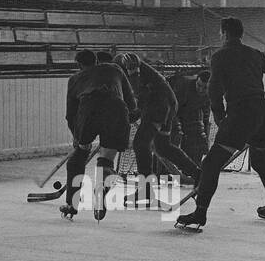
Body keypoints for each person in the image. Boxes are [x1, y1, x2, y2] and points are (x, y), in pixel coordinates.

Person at [176, 18, 265, 230]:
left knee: (211, 163)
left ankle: (200, 212)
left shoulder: (220, 56)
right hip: (262, 112)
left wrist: (220, 118)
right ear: (241, 33)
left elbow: (214, 89)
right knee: (260, 160)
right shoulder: (255, 55)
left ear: (223, 33)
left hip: (241, 113)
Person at [115, 52, 201, 201]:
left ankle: (145, 190)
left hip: (159, 105)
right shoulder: (123, 67)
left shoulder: (126, 62)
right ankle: (199, 175)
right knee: (163, 147)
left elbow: (137, 92)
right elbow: (140, 93)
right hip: (167, 102)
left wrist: (133, 113)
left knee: (140, 144)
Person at [62, 48, 136, 221]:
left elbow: (70, 114)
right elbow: (130, 98)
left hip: (89, 111)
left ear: (79, 65)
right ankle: (102, 190)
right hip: (117, 110)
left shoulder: (74, 79)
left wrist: (78, 138)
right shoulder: (114, 69)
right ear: (96, 61)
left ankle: (72, 205)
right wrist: (129, 117)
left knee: (77, 160)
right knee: (106, 161)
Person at [169, 68, 211, 168]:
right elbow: (172, 109)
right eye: (199, 85)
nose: (201, 90)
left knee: (198, 138)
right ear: (196, 80)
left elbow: (205, 117)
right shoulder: (184, 86)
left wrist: (205, 138)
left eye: (205, 88)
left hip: (189, 111)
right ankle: (163, 172)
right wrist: (177, 128)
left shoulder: (210, 94)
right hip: (170, 108)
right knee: (173, 137)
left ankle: (191, 170)